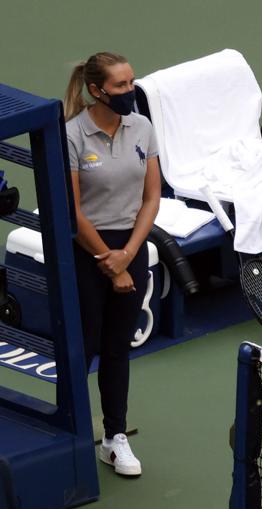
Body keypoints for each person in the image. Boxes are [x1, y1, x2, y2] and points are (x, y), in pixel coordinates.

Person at [63, 52, 161, 477]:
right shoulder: (72, 135)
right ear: (96, 91)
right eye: (121, 86)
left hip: (130, 246)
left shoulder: (142, 127)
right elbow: (73, 212)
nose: (130, 92)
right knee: (82, 347)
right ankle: (67, 436)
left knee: (118, 346)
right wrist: (110, 261)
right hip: (87, 251)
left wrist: (128, 254)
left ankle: (114, 438)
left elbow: (151, 197)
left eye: (131, 83)